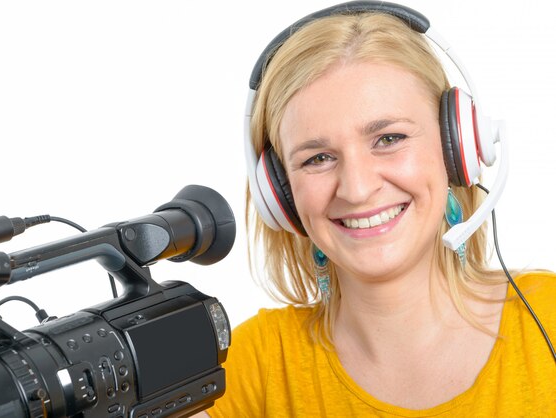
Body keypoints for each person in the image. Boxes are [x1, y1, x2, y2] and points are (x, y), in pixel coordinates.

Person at [197, 2, 556, 416]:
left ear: (457, 147)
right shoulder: (248, 371)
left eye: (388, 138)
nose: (358, 188)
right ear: (280, 196)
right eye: (317, 158)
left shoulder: (548, 319)